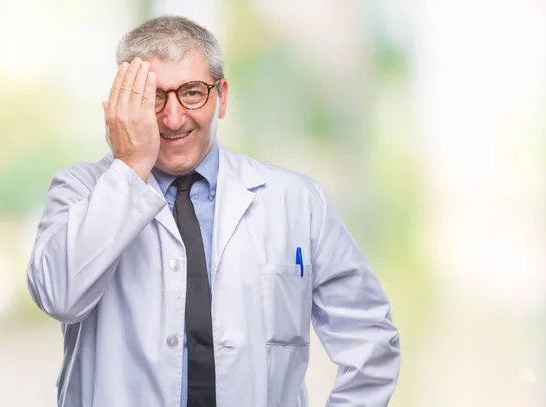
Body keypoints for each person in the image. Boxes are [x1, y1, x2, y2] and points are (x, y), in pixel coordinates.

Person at [26, 15, 400, 407]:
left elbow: (370, 342)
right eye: (152, 96)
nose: (172, 118)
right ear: (122, 106)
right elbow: (59, 298)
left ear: (222, 96)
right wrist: (130, 168)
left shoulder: (296, 201)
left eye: (192, 92)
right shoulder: (80, 192)